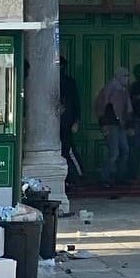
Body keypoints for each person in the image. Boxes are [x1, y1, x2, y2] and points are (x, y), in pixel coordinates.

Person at [94, 67, 132, 188]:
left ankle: (120, 177)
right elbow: (101, 107)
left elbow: (126, 109)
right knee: (114, 152)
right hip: (110, 124)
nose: (127, 78)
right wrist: (103, 124)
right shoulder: (110, 88)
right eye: (125, 75)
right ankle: (104, 178)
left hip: (120, 124)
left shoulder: (123, 90)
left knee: (125, 150)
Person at [58, 56, 83, 187]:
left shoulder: (69, 82)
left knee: (67, 151)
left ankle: (76, 177)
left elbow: (75, 102)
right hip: (53, 123)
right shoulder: (49, 81)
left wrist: (76, 120)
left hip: (66, 122)